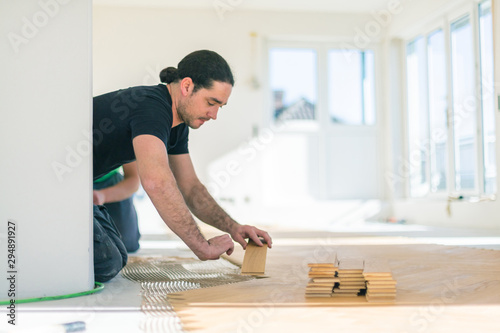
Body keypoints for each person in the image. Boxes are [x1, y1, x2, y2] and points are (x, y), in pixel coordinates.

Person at [92, 50, 272, 282]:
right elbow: (157, 183)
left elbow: (190, 188)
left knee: (118, 254)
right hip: (49, 183)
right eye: (211, 102)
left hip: (77, 191)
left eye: (220, 106)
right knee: (107, 262)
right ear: (187, 86)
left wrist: (233, 227)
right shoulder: (152, 108)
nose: (215, 115)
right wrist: (201, 246)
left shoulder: (178, 125)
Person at [93, 162, 141, 253]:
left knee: (126, 244)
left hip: (110, 182)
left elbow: (133, 179)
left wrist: (103, 195)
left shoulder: (127, 147)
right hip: (74, 180)